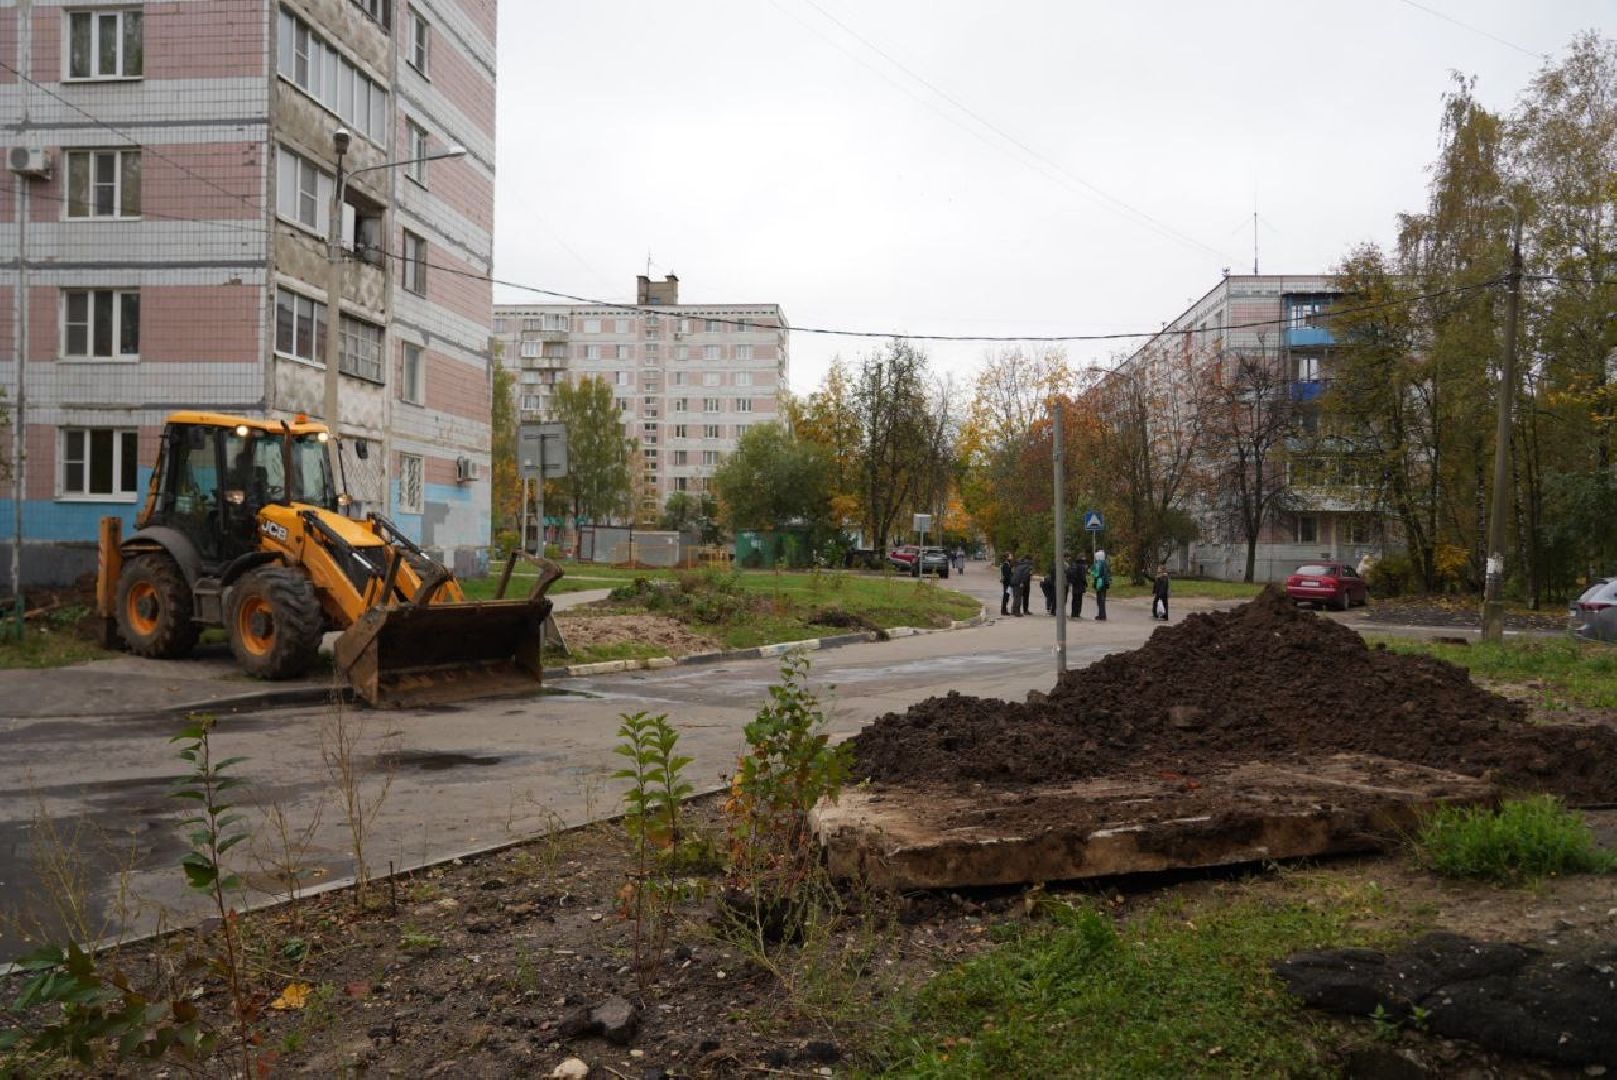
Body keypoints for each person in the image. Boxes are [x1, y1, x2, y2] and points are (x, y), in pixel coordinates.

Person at [1090, 549, 1112, 621]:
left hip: (1099, 583)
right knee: (1102, 599)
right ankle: (1102, 615)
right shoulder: (1106, 564)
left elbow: (1095, 573)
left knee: (1099, 599)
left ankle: (1100, 615)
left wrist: (1092, 572)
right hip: (1104, 583)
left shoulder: (1098, 564)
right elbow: (1108, 573)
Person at [1067, 552, 1087, 618]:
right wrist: (1085, 583)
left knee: (1074, 599)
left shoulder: (1074, 565)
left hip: (1075, 584)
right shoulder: (1082, 566)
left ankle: (1073, 613)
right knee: (1079, 600)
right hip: (1080, 585)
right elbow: (1083, 577)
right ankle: (1077, 613)